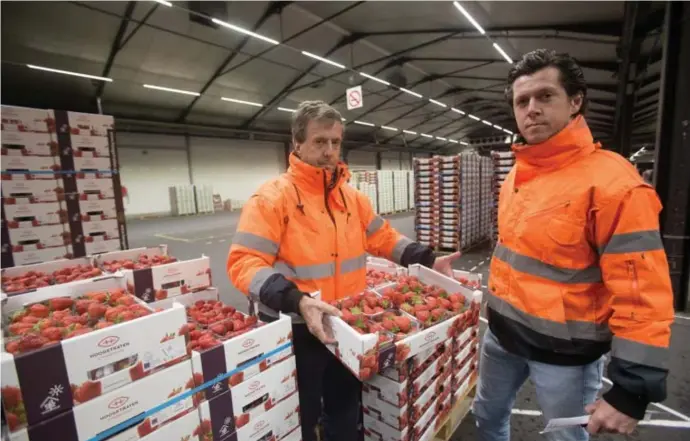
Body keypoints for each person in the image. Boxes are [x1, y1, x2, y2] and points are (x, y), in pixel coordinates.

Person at [227, 100, 460, 441]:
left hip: (345, 324)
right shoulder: (271, 199)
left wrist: (427, 259)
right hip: (296, 327)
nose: (329, 150)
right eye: (320, 141)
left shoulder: (352, 199)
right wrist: (297, 300)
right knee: (300, 415)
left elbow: (383, 237)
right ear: (297, 143)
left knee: (344, 406)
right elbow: (244, 262)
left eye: (336, 142)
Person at [473, 49, 674, 441]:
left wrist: (632, 388)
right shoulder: (517, 174)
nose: (531, 109)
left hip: (563, 358)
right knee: (487, 415)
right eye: (522, 101)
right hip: (501, 337)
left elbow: (642, 294)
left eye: (545, 96)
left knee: (563, 438)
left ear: (575, 101)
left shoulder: (614, 185)